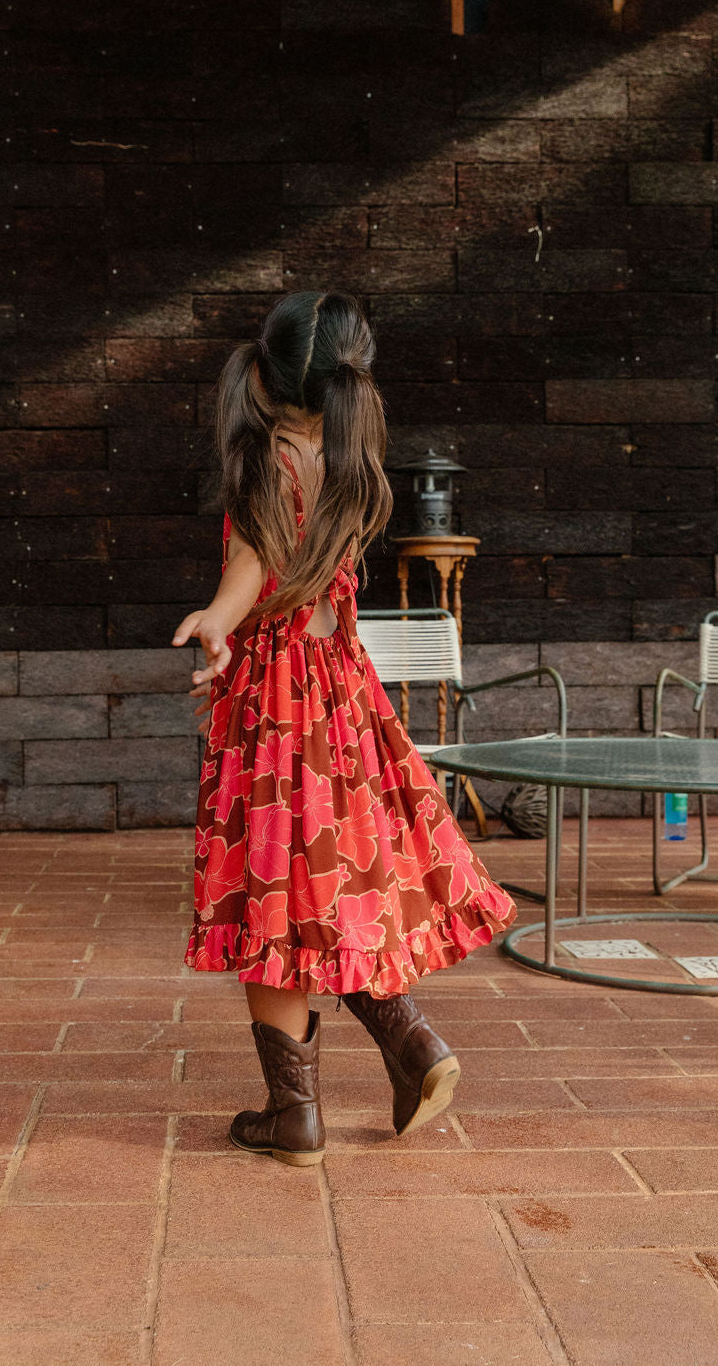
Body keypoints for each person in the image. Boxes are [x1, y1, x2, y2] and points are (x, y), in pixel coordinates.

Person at [172, 291, 516, 1166]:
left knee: (271, 903)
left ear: (264, 373)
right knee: (326, 892)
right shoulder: (353, 461)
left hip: (278, 704)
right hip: (343, 702)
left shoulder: (272, 459)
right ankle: (413, 1047)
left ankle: (296, 1115)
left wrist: (217, 617)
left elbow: (250, 559)